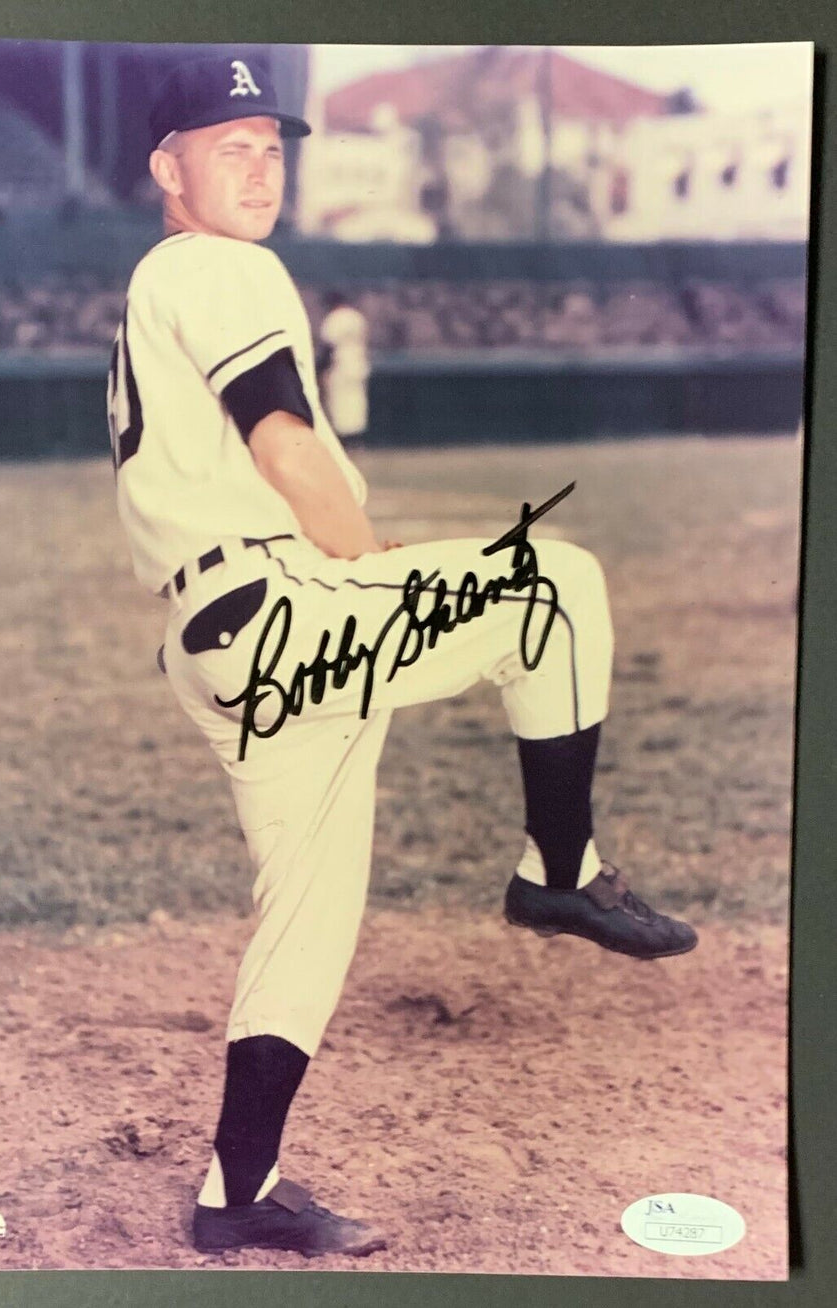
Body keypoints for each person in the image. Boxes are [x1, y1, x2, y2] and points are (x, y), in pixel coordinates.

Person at [106, 53, 697, 1262]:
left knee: (307, 920)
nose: (261, 165)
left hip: (222, 641)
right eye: (231, 147)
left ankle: (238, 1190)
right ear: (166, 170)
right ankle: (562, 867)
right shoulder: (218, 264)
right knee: (555, 584)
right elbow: (279, 438)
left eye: (272, 145)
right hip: (282, 612)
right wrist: (368, 562)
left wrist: (356, 572)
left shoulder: (156, 285)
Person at [318, 290, 371, 450]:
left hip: (339, 366)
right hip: (358, 364)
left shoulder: (334, 319)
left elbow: (328, 348)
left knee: (340, 405)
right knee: (357, 403)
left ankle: (346, 443)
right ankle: (357, 441)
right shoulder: (357, 317)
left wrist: (319, 369)